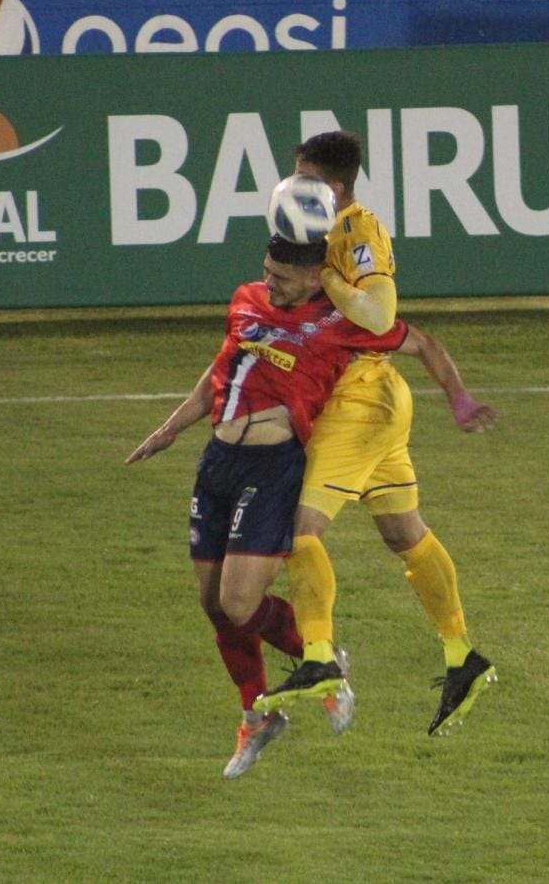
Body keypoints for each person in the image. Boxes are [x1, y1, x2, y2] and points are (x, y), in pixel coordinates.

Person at [125, 233, 409, 778]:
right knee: (213, 602)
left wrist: (456, 396)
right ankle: (258, 715)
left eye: (280, 275)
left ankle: (322, 661)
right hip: (218, 464)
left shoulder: (339, 321)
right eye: (266, 270)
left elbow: (414, 341)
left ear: (312, 278)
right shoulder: (247, 300)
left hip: (274, 468)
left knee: (237, 601)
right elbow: (219, 373)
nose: (269, 281)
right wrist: (169, 429)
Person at [252, 132, 498, 737]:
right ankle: (462, 655)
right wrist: (458, 398)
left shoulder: (357, 231)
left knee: (300, 528)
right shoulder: (317, 231)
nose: (294, 187)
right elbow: (412, 337)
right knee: (403, 533)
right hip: (378, 397)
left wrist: (325, 281)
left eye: (304, 178)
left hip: (359, 401)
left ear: (333, 187)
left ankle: (316, 659)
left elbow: (383, 316)